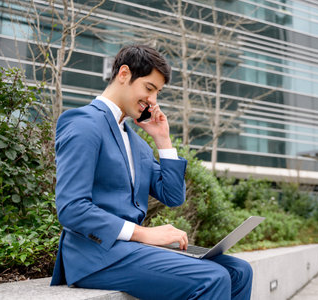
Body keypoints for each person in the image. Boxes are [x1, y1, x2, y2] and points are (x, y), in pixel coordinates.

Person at [50, 44, 253, 299]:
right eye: (149, 88)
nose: (153, 100)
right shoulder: (83, 123)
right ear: (124, 74)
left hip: (130, 250)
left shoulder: (137, 143)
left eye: (157, 92)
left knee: (240, 271)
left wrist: (163, 140)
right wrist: (145, 234)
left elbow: (173, 196)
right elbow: (71, 208)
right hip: (96, 255)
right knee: (212, 277)